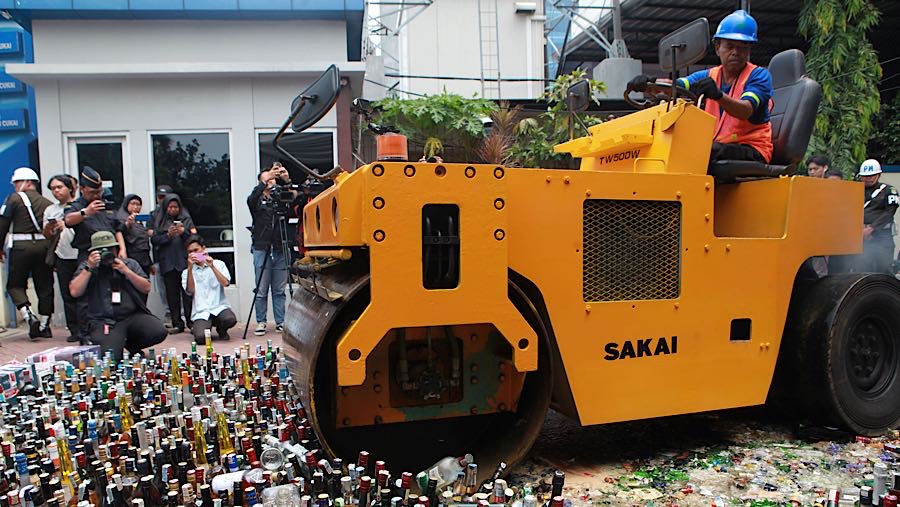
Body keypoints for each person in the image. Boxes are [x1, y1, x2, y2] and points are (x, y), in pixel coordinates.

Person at [628, 10, 773, 164]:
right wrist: (650, 84)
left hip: (753, 148)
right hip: (720, 147)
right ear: (718, 48)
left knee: (698, 151)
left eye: (742, 47)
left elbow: (745, 110)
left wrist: (718, 96)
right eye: (730, 46)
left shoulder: (759, 76)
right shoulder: (709, 75)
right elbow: (677, 86)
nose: (735, 52)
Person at [69, 231, 166, 361]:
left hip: (131, 316)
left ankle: (130, 345)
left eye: (110, 249)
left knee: (158, 330)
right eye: (102, 251)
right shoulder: (88, 267)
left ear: (116, 249)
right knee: (111, 357)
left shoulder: (129, 264)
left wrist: (126, 271)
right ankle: (115, 343)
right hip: (104, 321)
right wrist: (89, 267)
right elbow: (74, 291)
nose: (107, 253)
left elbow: (146, 287)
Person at [0, 167, 54, 338]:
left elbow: (3, 223)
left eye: (17, 182)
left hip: (21, 247)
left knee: (15, 284)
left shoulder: (14, 199)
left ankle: (28, 314)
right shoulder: (47, 203)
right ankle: (45, 325)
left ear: (28, 182)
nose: (15, 186)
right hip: (44, 247)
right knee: (45, 286)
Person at [247, 163, 297, 336]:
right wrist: (266, 179)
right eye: (268, 178)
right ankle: (261, 321)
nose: (271, 181)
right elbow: (251, 198)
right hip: (262, 247)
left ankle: (281, 322)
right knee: (261, 289)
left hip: (280, 247)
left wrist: (286, 179)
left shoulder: (281, 197)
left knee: (279, 290)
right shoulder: (256, 200)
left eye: (273, 179)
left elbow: (295, 199)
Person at [43, 174, 81, 342]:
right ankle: (74, 329)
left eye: (59, 187)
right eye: (53, 188)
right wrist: (51, 227)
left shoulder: (79, 206)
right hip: (62, 255)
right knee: (67, 294)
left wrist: (67, 223)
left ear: (70, 188)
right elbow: (46, 235)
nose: (56, 191)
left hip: (81, 254)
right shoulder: (50, 210)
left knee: (84, 293)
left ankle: (88, 327)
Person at [64, 166, 127, 261]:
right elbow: (68, 220)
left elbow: (117, 228)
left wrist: (122, 249)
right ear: (82, 189)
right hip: (89, 252)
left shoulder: (106, 204)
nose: (96, 195)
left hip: (110, 250)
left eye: (99, 192)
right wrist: (86, 212)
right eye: (92, 192)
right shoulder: (78, 206)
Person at [182, 235, 236, 343]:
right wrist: (190, 268)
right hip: (201, 311)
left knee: (230, 319)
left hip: (219, 307)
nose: (194, 254)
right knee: (201, 338)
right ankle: (204, 329)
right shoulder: (186, 272)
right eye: (190, 252)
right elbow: (190, 291)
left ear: (203, 248)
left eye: (196, 250)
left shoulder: (218, 264)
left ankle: (221, 329)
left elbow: (226, 283)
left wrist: (212, 266)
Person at [151, 194, 193, 333]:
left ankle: (191, 321)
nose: (173, 209)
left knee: (188, 294)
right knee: (172, 295)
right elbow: (154, 240)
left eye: (175, 207)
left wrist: (183, 232)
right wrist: (167, 236)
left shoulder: (186, 219)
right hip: (168, 263)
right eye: (170, 207)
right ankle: (177, 323)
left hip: (183, 262)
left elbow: (194, 239)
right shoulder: (160, 220)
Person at [856, 159, 899, 274]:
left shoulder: (889, 190)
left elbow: (889, 212)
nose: (867, 178)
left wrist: (871, 229)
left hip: (881, 235)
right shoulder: (855, 190)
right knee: (860, 269)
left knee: (884, 268)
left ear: (878, 175)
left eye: (871, 175)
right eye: (865, 176)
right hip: (859, 235)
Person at [115, 194, 153, 284]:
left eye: (138, 204)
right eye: (133, 203)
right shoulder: (121, 218)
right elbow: (119, 231)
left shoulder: (138, 220)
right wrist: (128, 224)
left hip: (144, 259)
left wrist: (150, 263)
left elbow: (144, 242)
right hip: (132, 258)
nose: (136, 207)